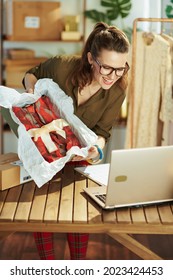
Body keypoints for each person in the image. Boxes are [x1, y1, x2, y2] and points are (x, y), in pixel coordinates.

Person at [1, 22, 130, 259]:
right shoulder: (63, 66)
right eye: (107, 68)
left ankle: (77, 266)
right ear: (91, 59)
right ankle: (49, 266)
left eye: (121, 68)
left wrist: (95, 152)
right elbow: (33, 73)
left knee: (76, 211)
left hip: (78, 156)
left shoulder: (117, 90)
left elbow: (103, 132)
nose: (113, 76)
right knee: (41, 208)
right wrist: (34, 99)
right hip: (45, 146)